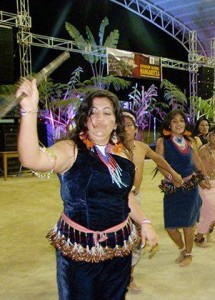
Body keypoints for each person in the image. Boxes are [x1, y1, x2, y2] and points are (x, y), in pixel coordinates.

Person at [17, 79, 158, 299]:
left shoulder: (120, 153)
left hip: (119, 249)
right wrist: (29, 111)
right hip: (79, 252)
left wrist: (145, 222)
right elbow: (32, 158)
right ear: (85, 119)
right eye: (93, 113)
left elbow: (124, 194)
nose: (100, 119)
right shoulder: (71, 150)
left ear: (115, 120)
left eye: (107, 113)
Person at [122, 109, 183, 291]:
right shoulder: (110, 147)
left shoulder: (141, 147)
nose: (125, 129)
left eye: (129, 125)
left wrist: (173, 173)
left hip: (135, 199)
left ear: (135, 129)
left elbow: (158, 159)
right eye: (122, 125)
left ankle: (129, 276)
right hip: (115, 201)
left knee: (137, 239)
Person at [155, 110, 211, 267]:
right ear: (169, 125)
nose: (179, 124)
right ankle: (181, 249)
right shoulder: (162, 142)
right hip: (172, 187)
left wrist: (204, 178)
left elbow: (197, 162)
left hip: (190, 187)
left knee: (188, 224)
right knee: (170, 226)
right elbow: (160, 164)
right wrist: (172, 178)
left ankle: (188, 253)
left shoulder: (190, 141)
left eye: (181, 121)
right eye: (174, 121)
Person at [194, 125, 215, 246]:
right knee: (209, 212)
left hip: (213, 184)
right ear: (208, 136)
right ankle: (199, 238)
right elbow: (193, 166)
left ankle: (207, 229)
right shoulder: (203, 150)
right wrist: (200, 181)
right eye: (214, 135)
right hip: (202, 184)